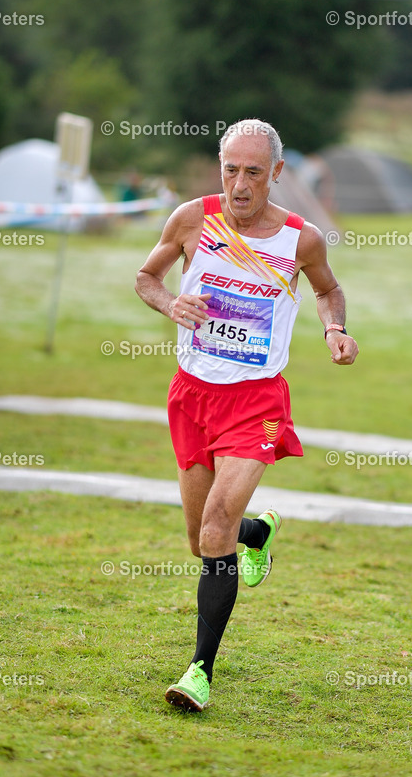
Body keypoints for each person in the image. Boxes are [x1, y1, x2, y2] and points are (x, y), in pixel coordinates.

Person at [135, 118, 358, 712]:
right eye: (230, 169)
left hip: (255, 401)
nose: (238, 184)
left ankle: (198, 672)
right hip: (192, 395)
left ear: (276, 174)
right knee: (201, 540)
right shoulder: (191, 219)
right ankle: (257, 533)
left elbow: (327, 289)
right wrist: (169, 301)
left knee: (214, 528)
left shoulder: (300, 239)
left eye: (253, 173)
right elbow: (146, 276)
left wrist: (335, 329)